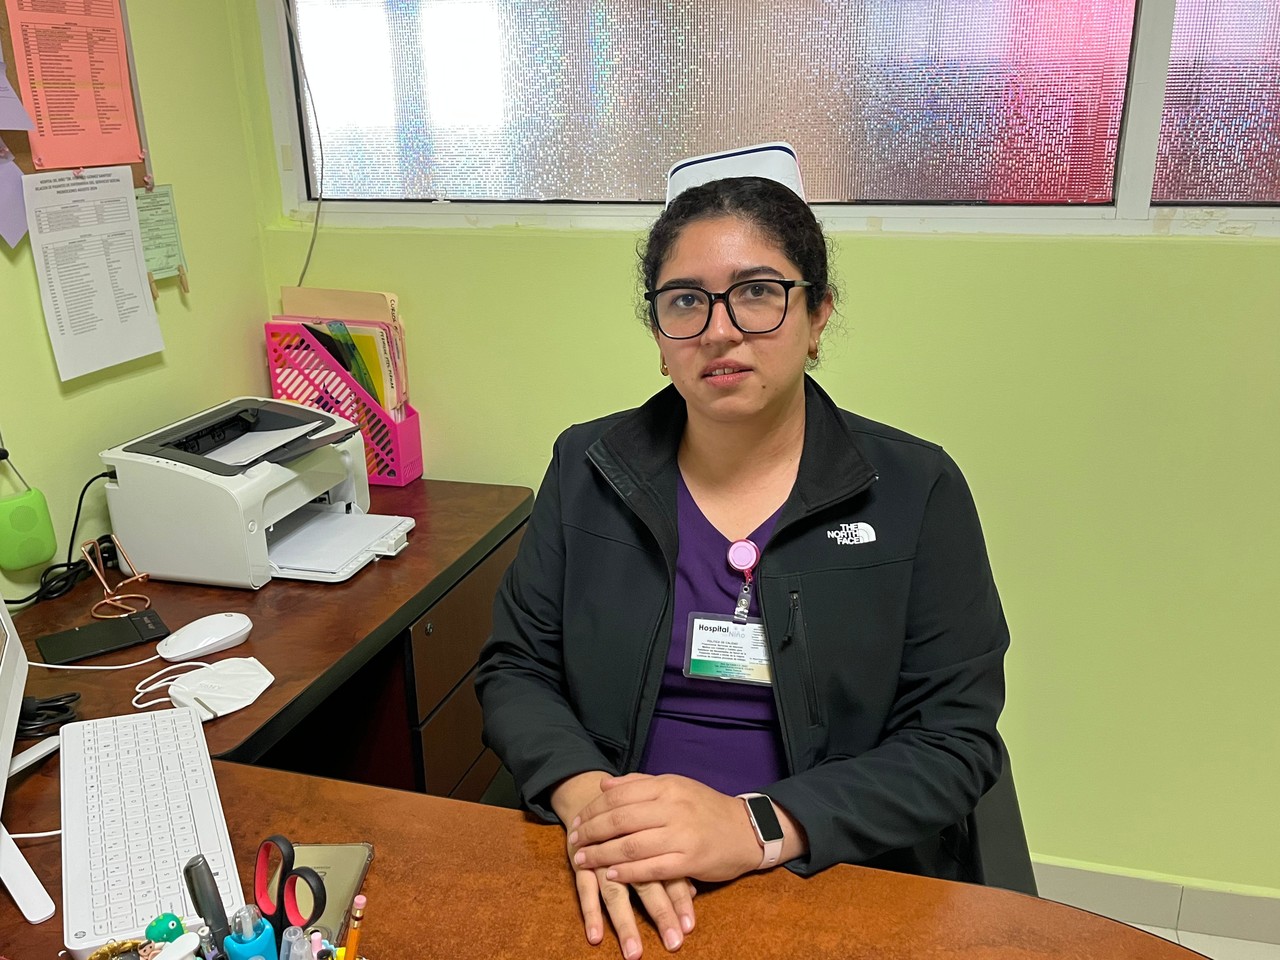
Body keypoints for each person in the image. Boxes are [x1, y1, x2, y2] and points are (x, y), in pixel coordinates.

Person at [476, 144, 1009, 960]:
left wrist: (756, 824)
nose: (720, 330)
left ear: (818, 313)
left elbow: (953, 742)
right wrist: (591, 806)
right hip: (614, 863)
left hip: (826, 869)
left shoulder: (914, 490)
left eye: (757, 293)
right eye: (686, 301)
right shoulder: (587, 469)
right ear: (658, 330)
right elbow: (515, 669)